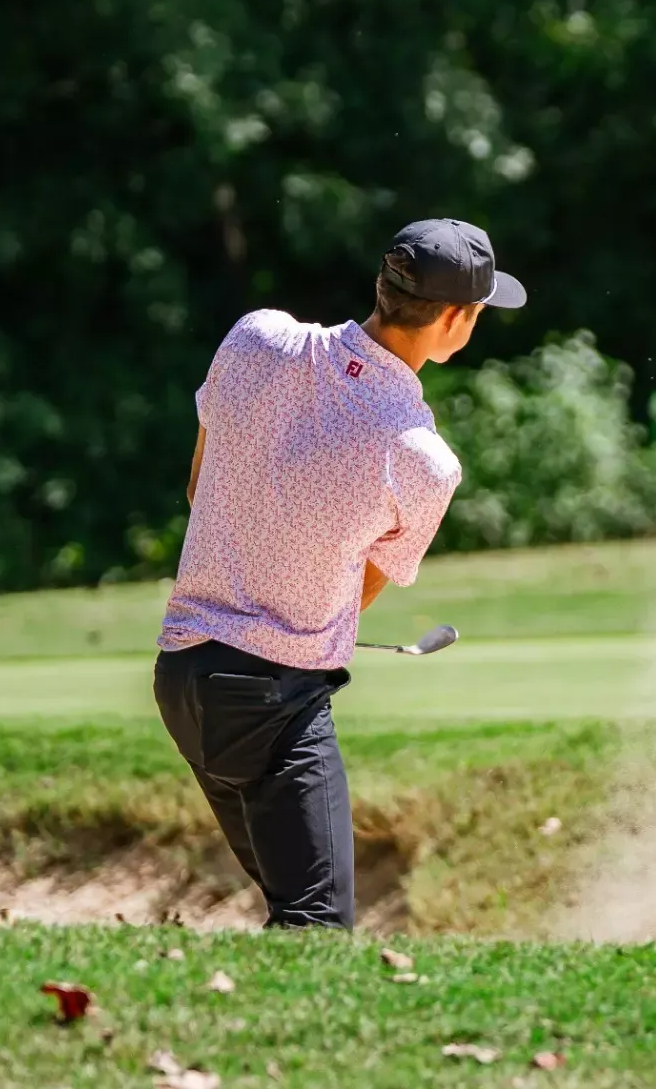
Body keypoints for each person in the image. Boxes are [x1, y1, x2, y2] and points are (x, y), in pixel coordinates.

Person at [153, 219, 524, 928]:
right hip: (271, 703)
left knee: (292, 906)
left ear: (383, 286)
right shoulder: (422, 459)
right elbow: (359, 589)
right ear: (454, 319)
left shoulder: (255, 337)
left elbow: (203, 486)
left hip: (180, 681)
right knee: (315, 923)